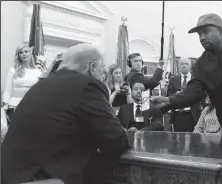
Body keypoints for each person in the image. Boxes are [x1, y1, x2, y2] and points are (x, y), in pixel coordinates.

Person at [1, 43, 129, 184]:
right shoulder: (88, 86)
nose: (103, 74)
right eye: (102, 68)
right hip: (44, 178)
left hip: (12, 175)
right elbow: (116, 140)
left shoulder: (40, 85)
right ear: (92, 68)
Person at [2, 44, 43, 123]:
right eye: (21, 52)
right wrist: (5, 108)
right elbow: (7, 90)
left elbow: (40, 92)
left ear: (30, 53)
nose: (24, 54)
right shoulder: (13, 70)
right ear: (18, 56)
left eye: (26, 51)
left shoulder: (38, 72)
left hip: (32, 107)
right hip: (14, 106)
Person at [167, 57, 201, 132]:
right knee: (178, 141)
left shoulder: (196, 79)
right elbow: (168, 96)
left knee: (194, 140)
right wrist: (176, 94)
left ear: (190, 66)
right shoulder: (173, 80)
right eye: (182, 64)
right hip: (178, 114)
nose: (184, 66)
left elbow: (200, 95)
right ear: (179, 66)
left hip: (192, 114)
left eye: (186, 64)